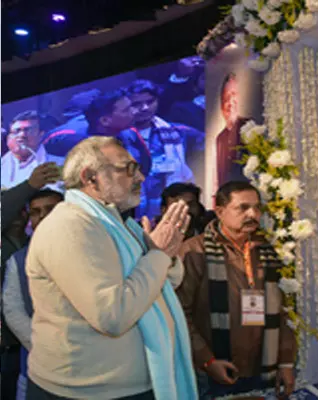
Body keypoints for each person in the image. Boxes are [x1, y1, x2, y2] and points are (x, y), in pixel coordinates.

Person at [24, 136, 197, 399]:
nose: (139, 176)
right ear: (90, 177)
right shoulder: (70, 226)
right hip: (85, 392)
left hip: (127, 386)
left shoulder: (118, 223)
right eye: (128, 168)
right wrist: (158, 256)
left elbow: (162, 285)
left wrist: (163, 256)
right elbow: (112, 316)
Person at [177, 181, 296, 398]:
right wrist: (206, 360)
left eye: (257, 207)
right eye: (243, 207)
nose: (253, 213)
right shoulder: (194, 251)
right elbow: (180, 314)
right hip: (214, 370)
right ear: (220, 212)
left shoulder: (268, 250)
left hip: (263, 367)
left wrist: (286, 361)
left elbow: (284, 311)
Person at [1, 163, 61, 400]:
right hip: (31, 359)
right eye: (36, 211)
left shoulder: (90, 249)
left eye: (51, 210)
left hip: (83, 363)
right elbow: (13, 309)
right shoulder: (19, 257)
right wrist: (42, 346)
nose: (43, 217)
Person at [127, 79, 199, 218]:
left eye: (150, 102)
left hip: (164, 202)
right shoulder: (122, 135)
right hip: (133, 205)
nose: (145, 108)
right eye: (137, 104)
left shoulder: (175, 132)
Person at [41, 89, 152, 179]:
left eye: (131, 107)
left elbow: (145, 165)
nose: (134, 111)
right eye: (126, 110)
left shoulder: (130, 132)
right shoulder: (68, 136)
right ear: (105, 120)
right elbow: (43, 147)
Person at [1, 111, 64, 189]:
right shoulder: (2, 165)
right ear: (8, 138)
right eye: (16, 131)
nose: (22, 135)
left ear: (41, 134)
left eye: (28, 130)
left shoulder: (60, 164)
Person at [215, 74, 250, 188]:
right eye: (226, 98)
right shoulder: (220, 138)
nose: (230, 103)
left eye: (234, 95)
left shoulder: (250, 127)